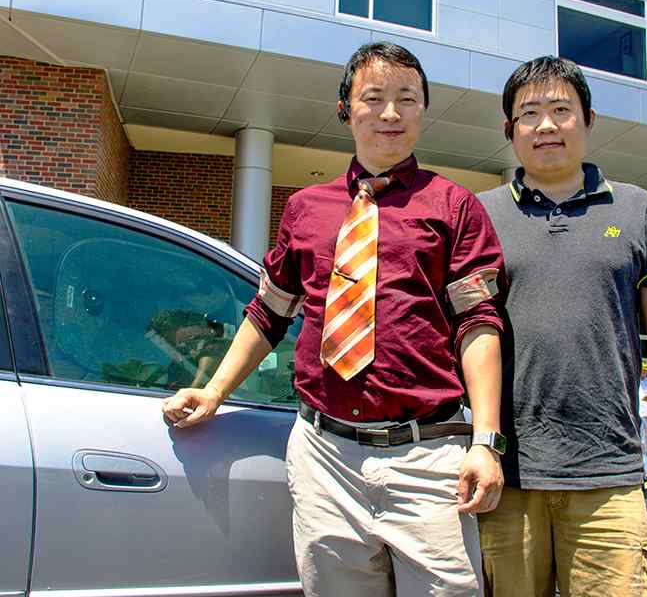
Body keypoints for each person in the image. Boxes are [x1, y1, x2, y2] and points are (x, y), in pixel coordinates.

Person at [162, 41, 507, 597]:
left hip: (428, 458)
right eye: (374, 98)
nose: (390, 113)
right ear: (346, 108)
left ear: (423, 111)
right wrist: (213, 391)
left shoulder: (455, 206)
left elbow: (480, 325)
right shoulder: (305, 208)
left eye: (407, 99)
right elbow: (269, 313)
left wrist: (486, 442)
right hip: (325, 456)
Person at [477, 56, 647, 597]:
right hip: (510, 478)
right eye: (530, 113)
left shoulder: (637, 207)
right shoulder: (478, 215)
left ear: (588, 120)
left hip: (609, 474)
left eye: (561, 110)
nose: (546, 125)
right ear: (510, 130)